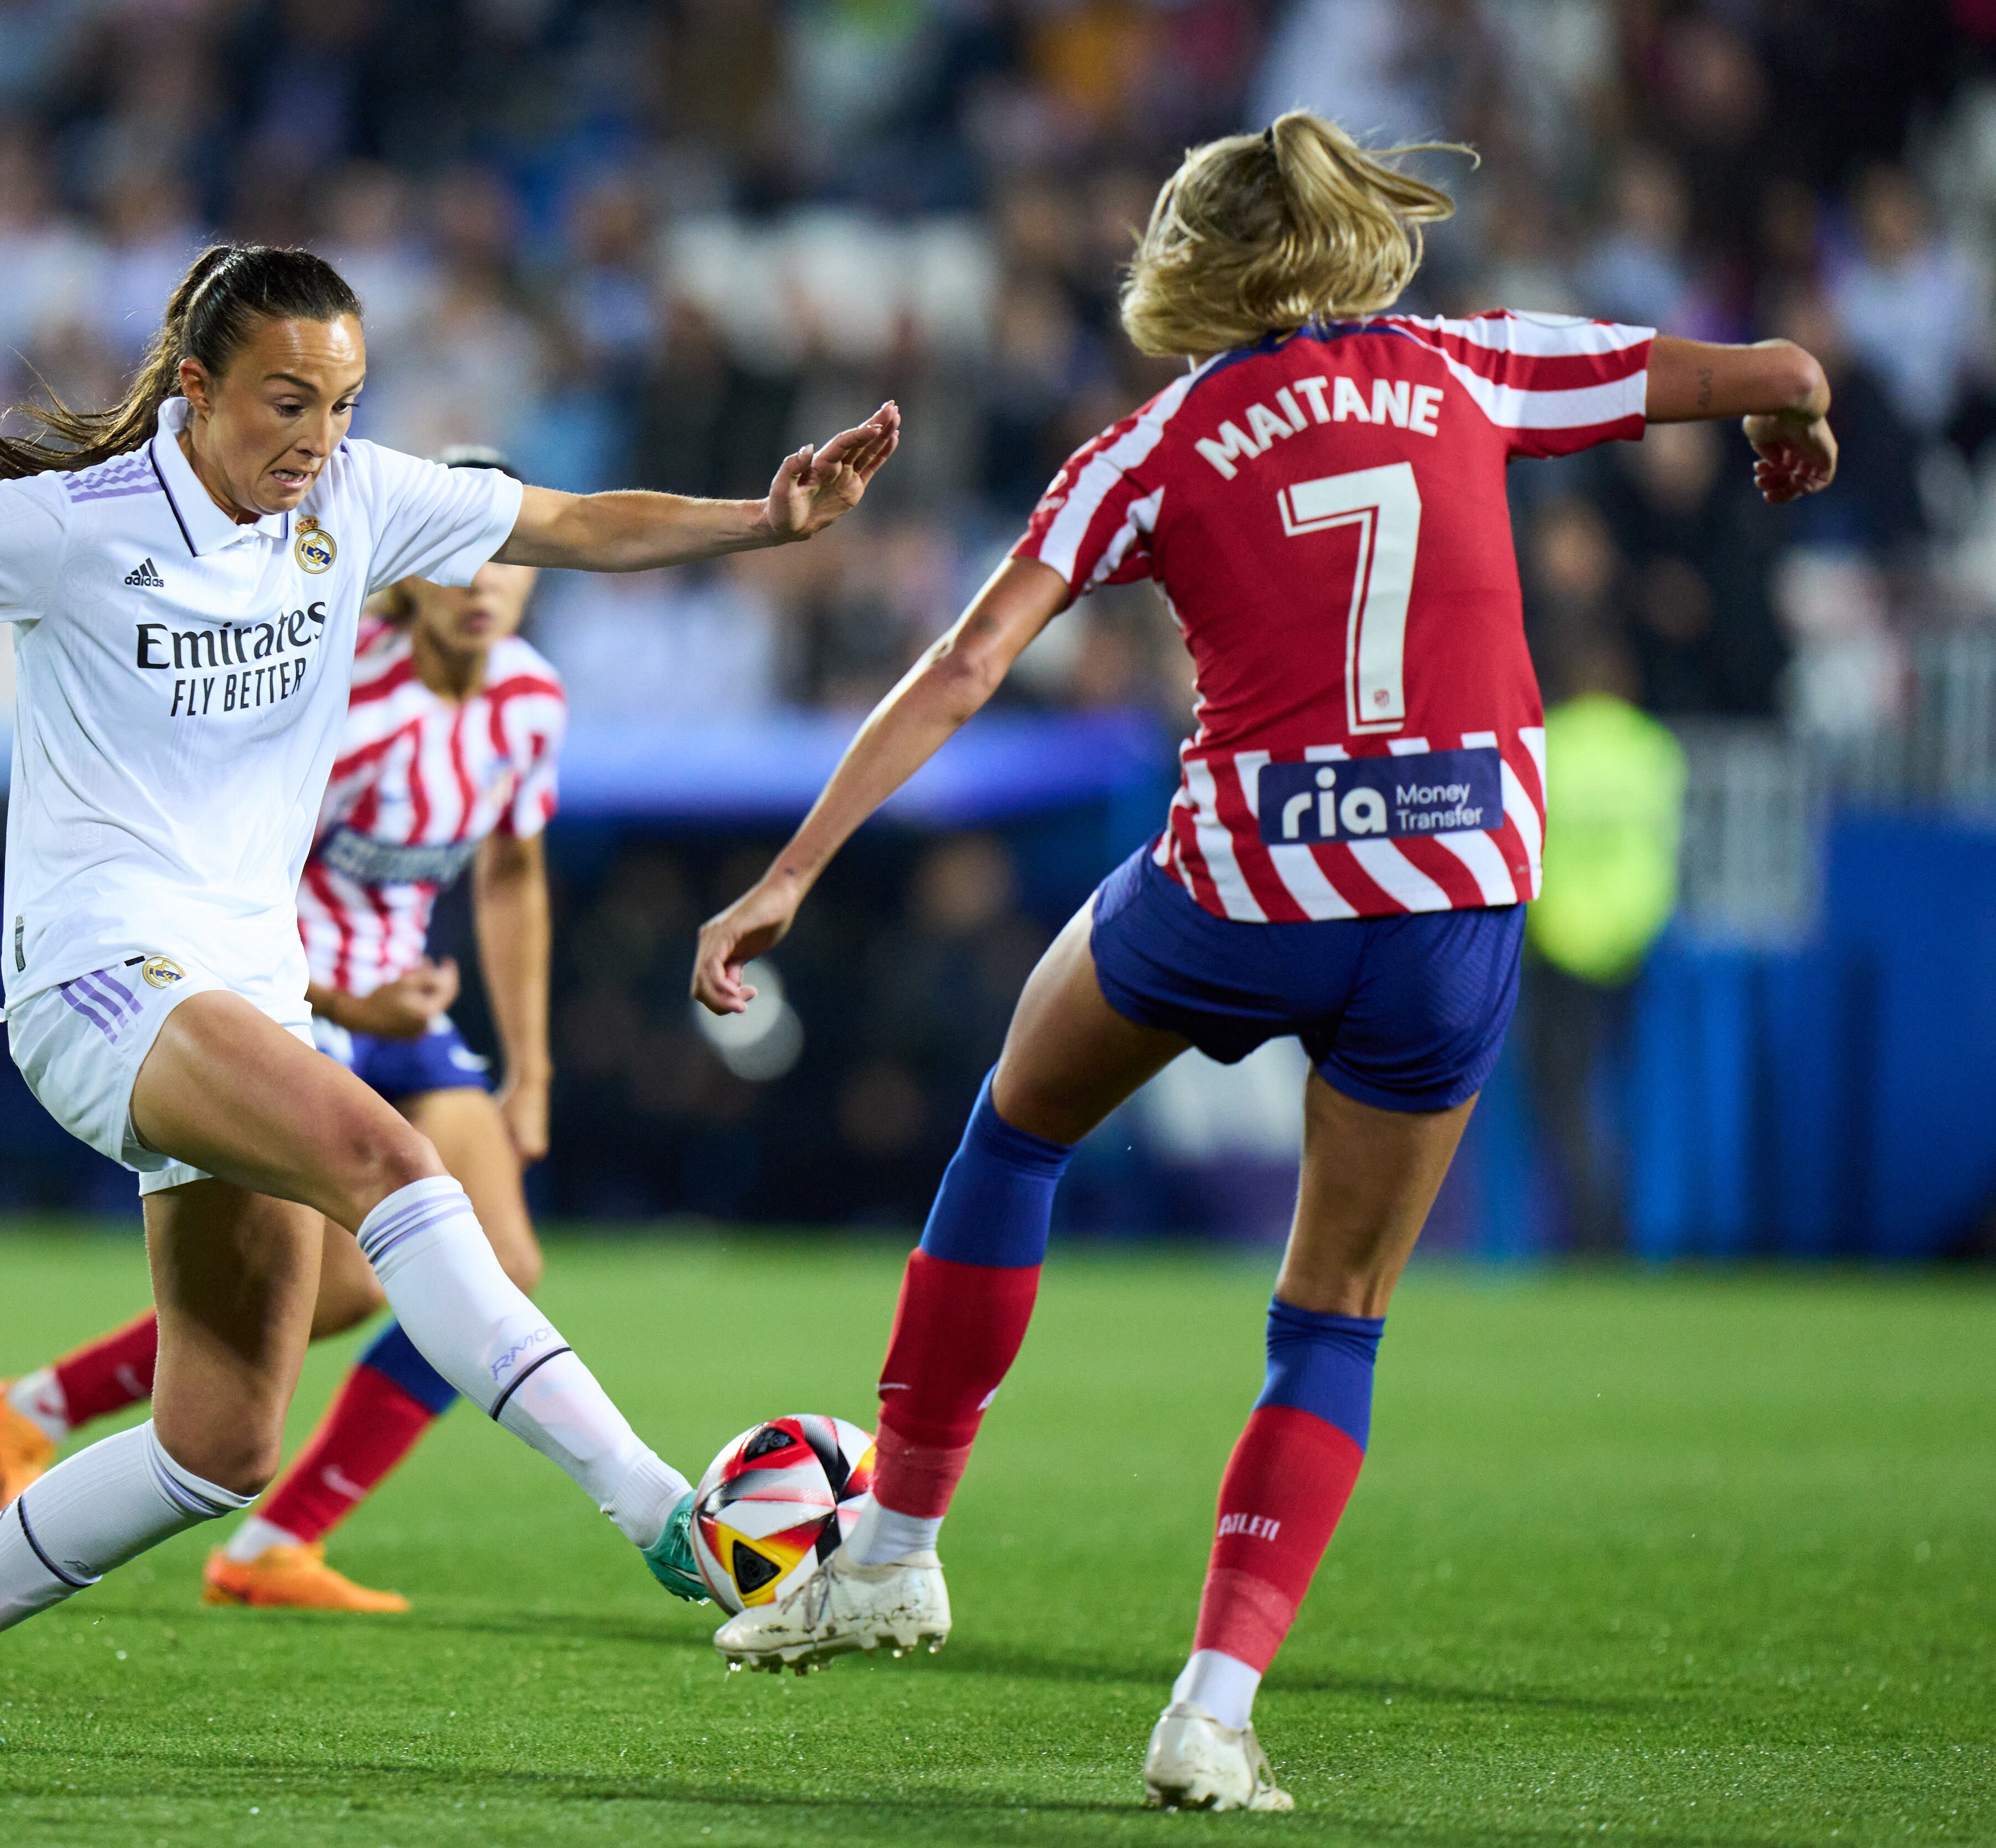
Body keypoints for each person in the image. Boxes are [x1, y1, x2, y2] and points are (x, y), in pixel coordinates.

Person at [0, 243, 898, 1743]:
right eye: (285, 401)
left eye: (343, 403)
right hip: (96, 974)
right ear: (195, 388)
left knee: (219, 1441)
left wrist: (766, 520)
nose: (318, 437)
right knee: (395, 1159)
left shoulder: (358, 500)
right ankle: (665, 1519)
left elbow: (574, 520)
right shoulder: (74, 524)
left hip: (248, 991)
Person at [688, 114, 1832, 1811]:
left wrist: (792, 868)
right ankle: (1210, 1713)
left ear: (1187, 265)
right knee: (1335, 1318)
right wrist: (1793, 415)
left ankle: (896, 1546)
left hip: (1243, 882)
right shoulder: (1472, 362)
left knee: (1018, 1125)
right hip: (1448, 893)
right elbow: (1776, 366)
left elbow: (969, 661)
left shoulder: (1150, 444)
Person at [0, 447, 571, 1615]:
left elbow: (512, 875)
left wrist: (530, 1068)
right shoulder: (345, 688)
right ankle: (36, 1409)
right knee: (335, 1293)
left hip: (402, 1011)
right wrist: (345, 1002)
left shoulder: (530, 700)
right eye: (456, 556)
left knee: (503, 1264)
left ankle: (275, 1540)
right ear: (408, 570)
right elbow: (235, 856)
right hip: (283, 999)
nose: (484, 580)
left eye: (506, 557)